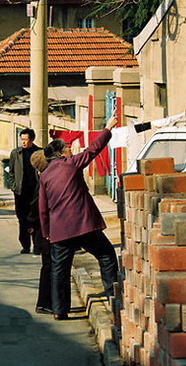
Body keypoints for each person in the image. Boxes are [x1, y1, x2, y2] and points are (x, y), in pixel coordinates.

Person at [38, 116, 119, 320]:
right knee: (107, 256)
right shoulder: (72, 164)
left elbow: (43, 209)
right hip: (83, 225)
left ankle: (60, 310)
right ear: (59, 153)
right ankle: (112, 296)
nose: (71, 150)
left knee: (60, 270)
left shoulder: (45, 176)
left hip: (59, 231)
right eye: (67, 148)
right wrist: (108, 127)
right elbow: (93, 149)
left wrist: (47, 232)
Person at [8, 128, 41, 253]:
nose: (23, 142)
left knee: (36, 219)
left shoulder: (39, 152)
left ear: (32, 139)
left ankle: (37, 246)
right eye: (22, 139)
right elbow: (11, 171)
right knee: (22, 219)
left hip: (35, 192)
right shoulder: (16, 153)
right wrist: (14, 187)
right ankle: (25, 245)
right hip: (21, 192)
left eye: (26, 140)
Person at [27, 150, 51, 315]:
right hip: (43, 232)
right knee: (48, 266)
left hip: (42, 231)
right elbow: (35, 208)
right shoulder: (43, 182)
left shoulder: (42, 179)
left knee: (49, 266)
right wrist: (31, 223)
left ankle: (47, 302)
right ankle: (43, 303)